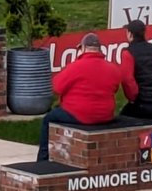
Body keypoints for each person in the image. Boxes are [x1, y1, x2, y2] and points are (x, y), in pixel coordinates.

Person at [37, 33, 137, 161]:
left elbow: (56, 87)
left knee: (48, 119)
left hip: (79, 115)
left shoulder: (74, 67)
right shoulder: (113, 69)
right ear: (100, 49)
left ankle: (43, 160)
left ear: (82, 48)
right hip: (105, 115)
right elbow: (115, 88)